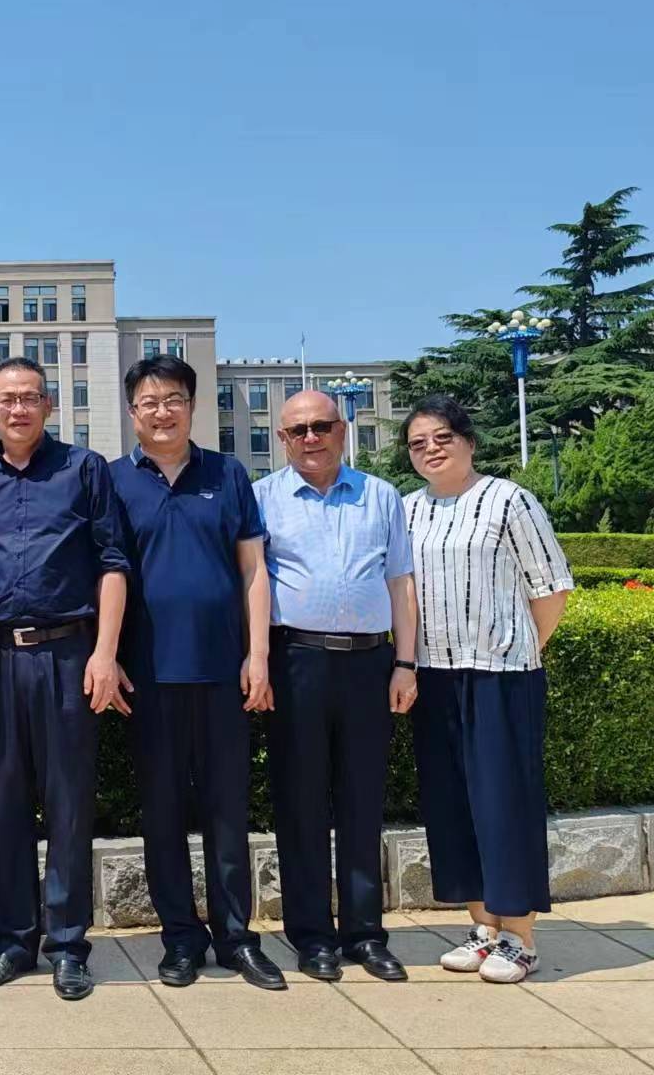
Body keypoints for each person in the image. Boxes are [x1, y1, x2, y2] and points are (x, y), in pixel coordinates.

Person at [0, 357, 130, 1001]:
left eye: (29, 397)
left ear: (48, 405)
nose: (18, 408)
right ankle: (13, 940)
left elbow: (113, 562)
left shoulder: (84, 469)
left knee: (68, 802)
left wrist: (105, 653)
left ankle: (68, 944)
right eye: (6, 399)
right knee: (6, 800)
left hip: (68, 655)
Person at [107, 356, 286, 991]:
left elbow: (253, 569)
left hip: (221, 673)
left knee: (227, 811)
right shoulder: (114, 481)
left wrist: (257, 655)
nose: (163, 412)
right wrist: (108, 654)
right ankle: (180, 937)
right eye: (150, 402)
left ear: (192, 405)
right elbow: (107, 572)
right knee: (162, 813)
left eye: (174, 399)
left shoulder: (227, 473)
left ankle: (237, 938)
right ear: (133, 411)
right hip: (149, 677)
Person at [401, 394, 573, 983]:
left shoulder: (508, 500)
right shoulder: (407, 510)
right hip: (433, 675)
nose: (430, 449)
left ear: (469, 442)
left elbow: (551, 589)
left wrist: (518, 647)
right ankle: (483, 928)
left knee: (505, 804)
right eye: (418, 443)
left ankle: (520, 937)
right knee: (453, 805)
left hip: (502, 678)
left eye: (442, 437)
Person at [253, 390, 418, 983]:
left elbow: (400, 582)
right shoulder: (262, 498)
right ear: (282, 439)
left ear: (342, 430)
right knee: (300, 802)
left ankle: (365, 934)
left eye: (321, 426)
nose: (310, 438)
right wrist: (258, 660)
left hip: (370, 665)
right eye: (297, 430)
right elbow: (251, 582)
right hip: (296, 662)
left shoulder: (381, 495)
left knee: (362, 801)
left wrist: (406, 663)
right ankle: (312, 935)